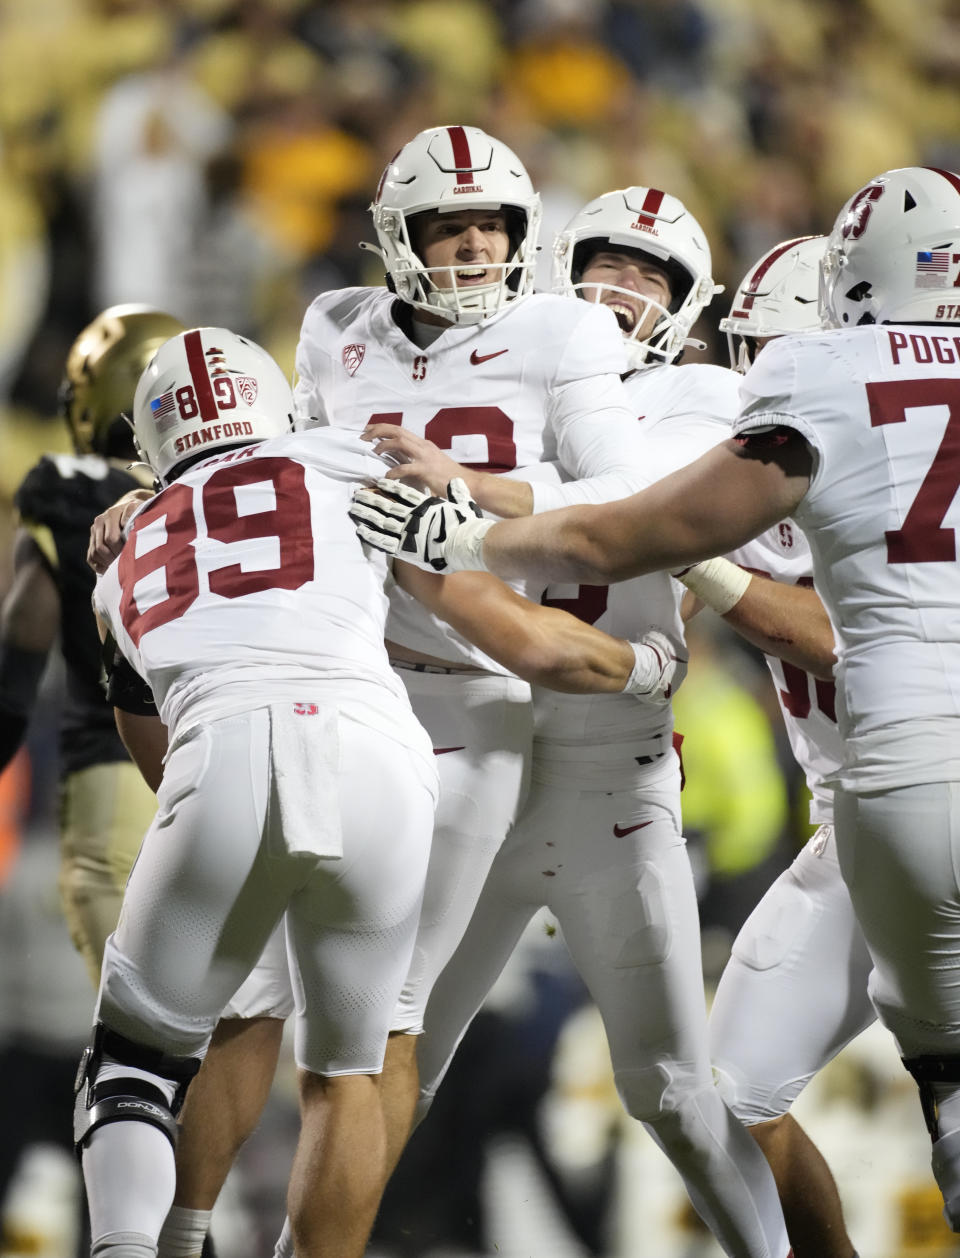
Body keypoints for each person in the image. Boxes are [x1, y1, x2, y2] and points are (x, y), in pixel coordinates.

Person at [351, 163, 960, 1230]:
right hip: (557, 750)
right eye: (603, 265)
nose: (759, 372)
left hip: (831, 770)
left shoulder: (763, 398)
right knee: (415, 1048)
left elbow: (631, 530)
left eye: (769, 354)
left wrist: (481, 521)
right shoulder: (527, 377)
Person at [81, 324, 684, 1258]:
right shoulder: (347, 460)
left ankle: (152, 1245)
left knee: (134, 1063)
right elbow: (509, 629)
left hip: (222, 753)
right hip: (385, 758)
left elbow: (150, 743)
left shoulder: (119, 554)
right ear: (279, 404)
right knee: (354, 1066)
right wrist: (639, 668)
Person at [367, 186, 794, 1258]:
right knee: (387, 1055)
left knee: (669, 1091)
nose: (622, 285)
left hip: (614, 773)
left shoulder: (703, 393)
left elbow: (638, 498)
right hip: (483, 753)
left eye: (650, 274)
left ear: (686, 303)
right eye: (605, 260)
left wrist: (472, 487)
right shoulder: (509, 364)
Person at [703, 235, 865, 1258]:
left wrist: (703, 561)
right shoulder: (761, 487)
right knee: (725, 1097)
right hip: (860, 829)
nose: (751, 387)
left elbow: (844, 644)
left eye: (773, 357)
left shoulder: (908, 481)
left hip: (929, 802)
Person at [0, 304, 184, 986]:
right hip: (231, 772)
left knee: (135, 1037)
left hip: (118, 775)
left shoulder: (69, 491)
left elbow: (24, 642)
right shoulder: (239, 487)